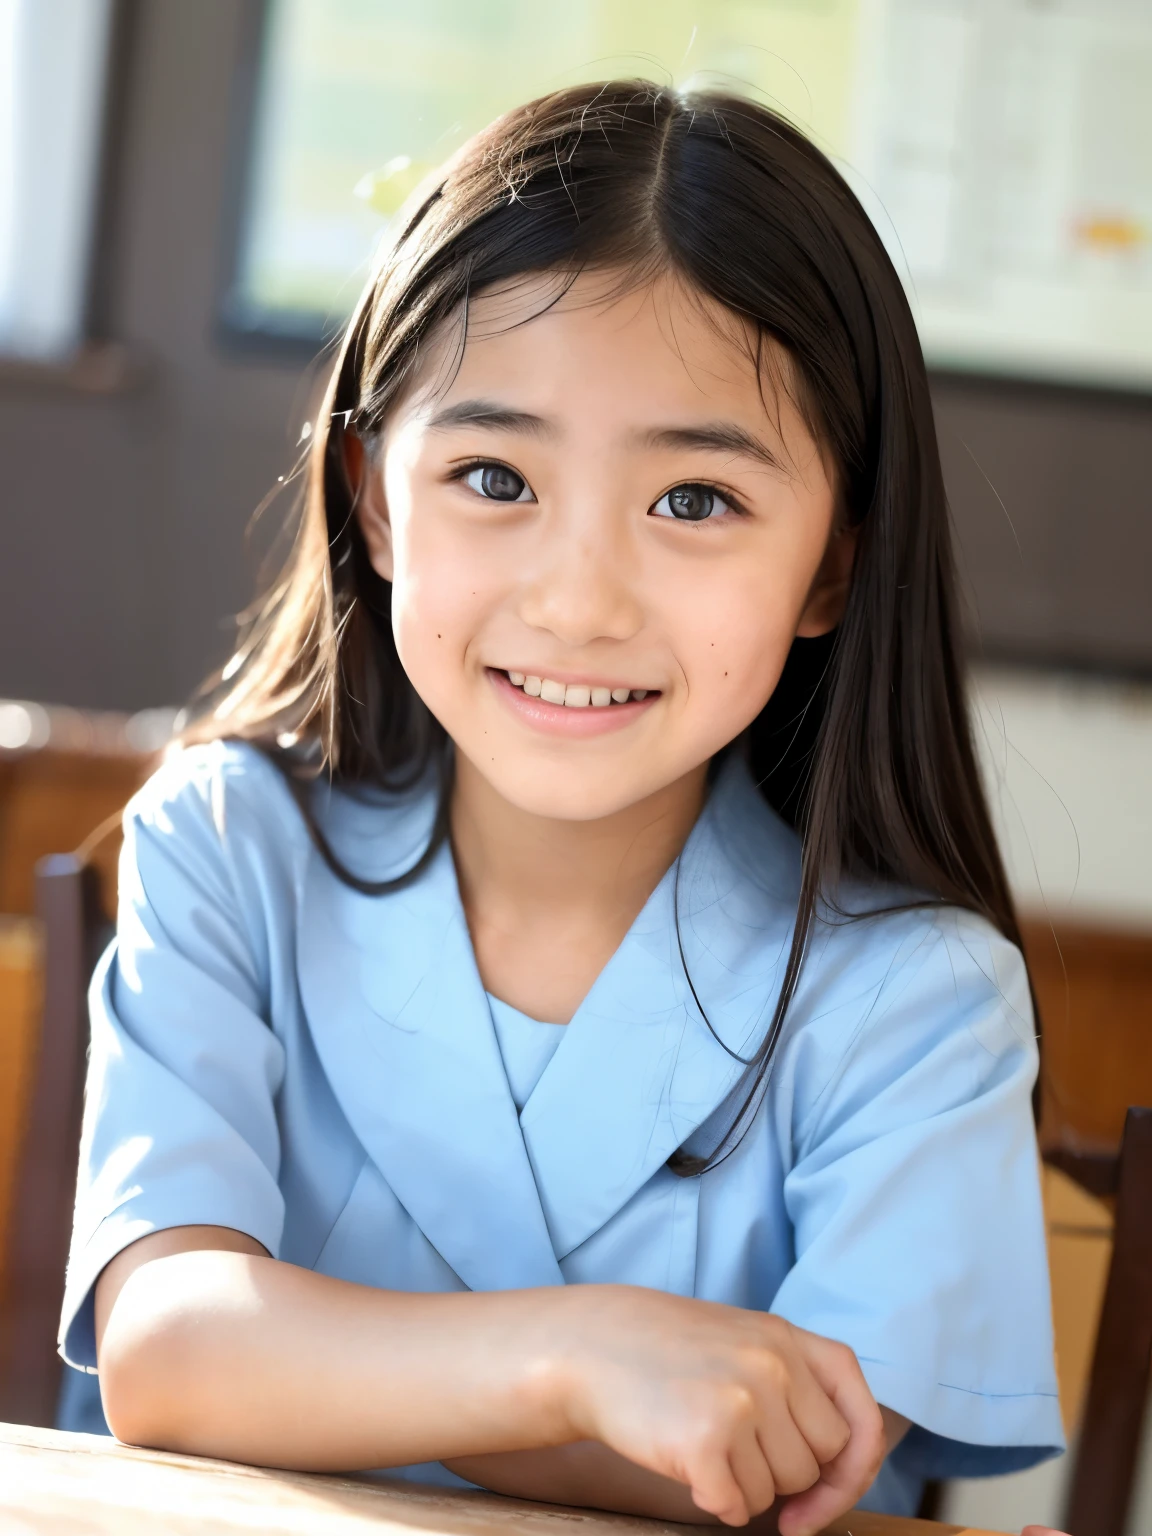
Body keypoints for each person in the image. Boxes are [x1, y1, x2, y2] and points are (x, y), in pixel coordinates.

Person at [59, 82, 1063, 1531]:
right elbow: (166, 1349)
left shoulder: (920, 1004)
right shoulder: (229, 850)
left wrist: (311, 1378)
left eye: (696, 502)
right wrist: (572, 1359)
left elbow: (793, 1483)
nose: (580, 599)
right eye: (490, 476)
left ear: (834, 566)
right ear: (377, 503)